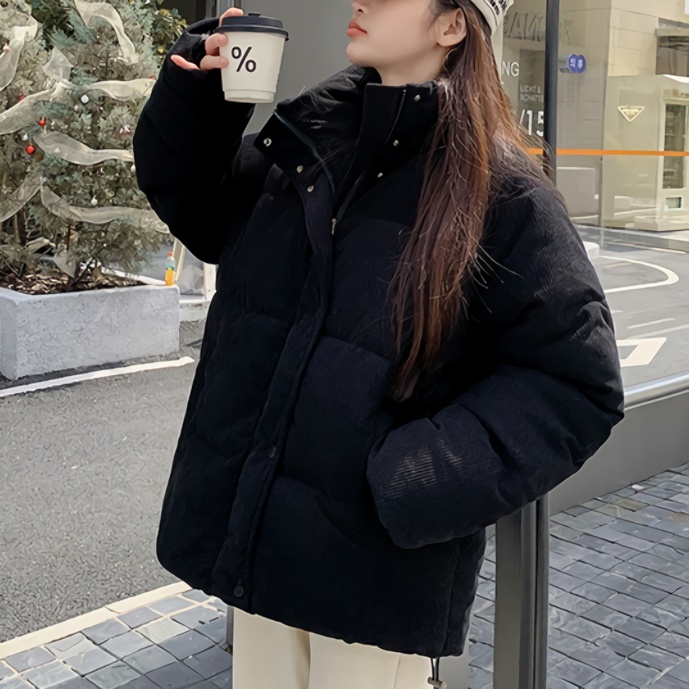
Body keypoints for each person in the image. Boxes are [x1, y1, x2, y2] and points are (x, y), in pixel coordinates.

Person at [132, 1, 625, 687]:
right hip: (266, 551)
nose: (361, 0)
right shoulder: (310, 140)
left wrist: (409, 478)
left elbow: (577, 383)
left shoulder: (503, 192)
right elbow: (202, 212)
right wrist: (198, 94)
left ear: (452, 25)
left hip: (372, 578)